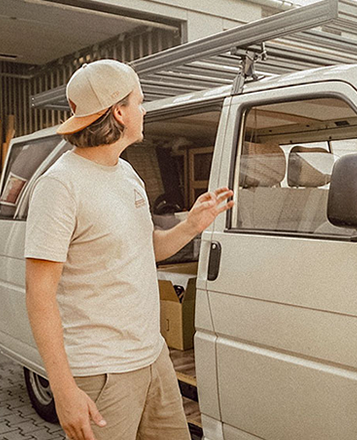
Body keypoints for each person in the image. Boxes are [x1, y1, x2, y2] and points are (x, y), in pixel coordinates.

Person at [24, 59, 233, 440]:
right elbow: (39, 296)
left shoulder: (126, 172)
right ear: (119, 112)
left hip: (153, 360)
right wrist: (64, 389)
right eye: (140, 100)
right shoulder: (60, 186)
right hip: (100, 375)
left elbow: (146, 250)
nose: (145, 109)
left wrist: (191, 225)